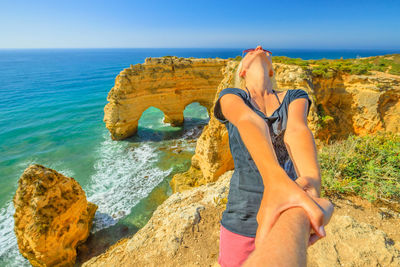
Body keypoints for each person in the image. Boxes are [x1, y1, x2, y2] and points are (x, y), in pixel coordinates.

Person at [213, 45, 333, 267]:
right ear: (242, 71)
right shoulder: (231, 96)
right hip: (241, 217)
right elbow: (249, 120)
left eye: (263, 49)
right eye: (250, 50)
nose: (258, 48)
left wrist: (312, 185)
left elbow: (296, 130)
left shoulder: (295, 97)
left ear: (271, 70)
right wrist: (275, 182)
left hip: (286, 212)